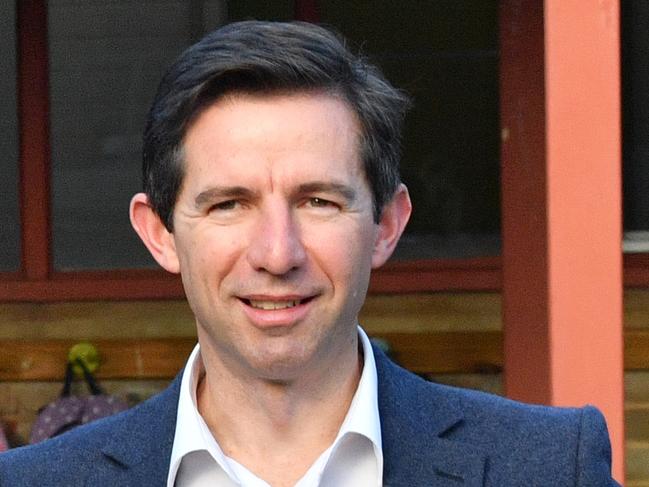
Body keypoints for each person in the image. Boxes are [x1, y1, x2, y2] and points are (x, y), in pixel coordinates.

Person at [0, 21, 619, 487]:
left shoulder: (548, 465)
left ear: (386, 224)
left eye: (318, 201)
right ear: (160, 232)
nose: (277, 253)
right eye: (228, 204)